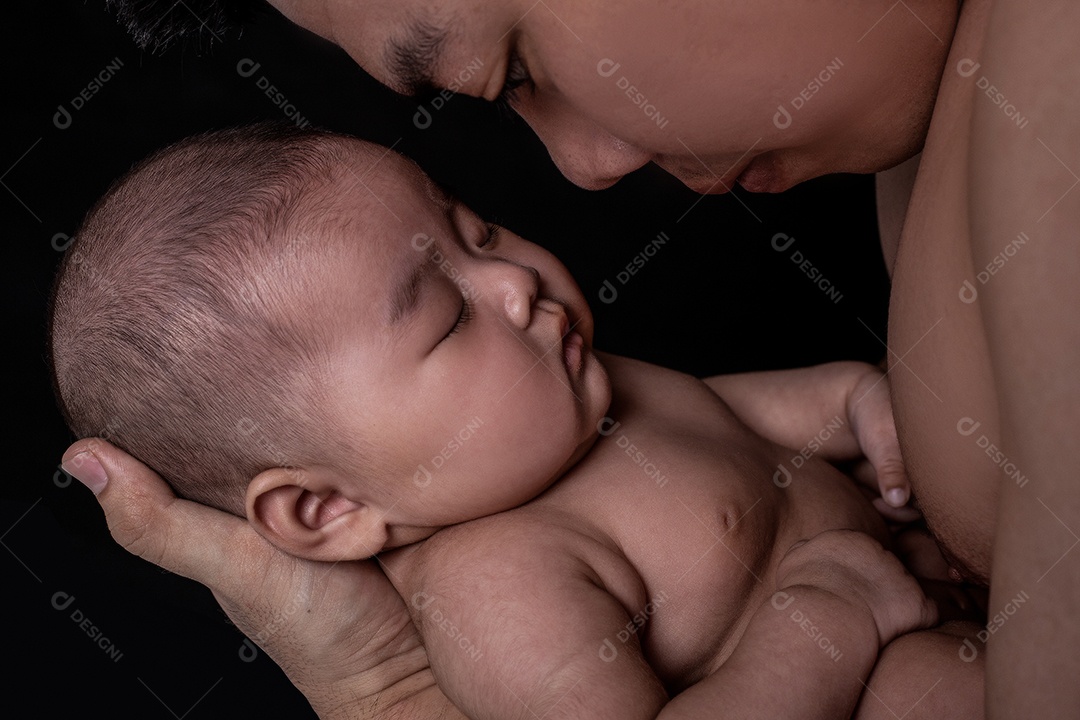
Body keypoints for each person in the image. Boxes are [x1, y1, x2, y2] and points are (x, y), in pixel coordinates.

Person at [68, 0, 1080, 716]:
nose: (515, 280)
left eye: (480, 233)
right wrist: (823, 620)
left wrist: (848, 399)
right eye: (446, 319)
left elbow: (726, 421)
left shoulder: (592, 395)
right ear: (325, 507)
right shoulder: (494, 585)